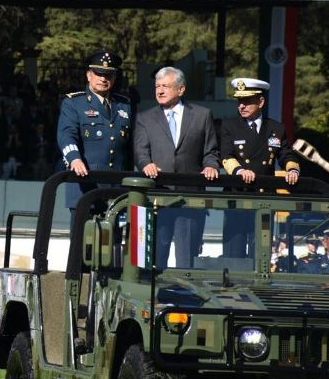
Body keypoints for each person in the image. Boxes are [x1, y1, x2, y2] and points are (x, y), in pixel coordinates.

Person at [134, 66, 219, 268]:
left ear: (181, 89)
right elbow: (140, 151)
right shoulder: (145, 117)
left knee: (187, 257)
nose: (160, 91)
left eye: (165, 86)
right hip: (157, 197)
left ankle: (186, 298)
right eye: (157, 86)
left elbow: (211, 151)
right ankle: (157, 298)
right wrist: (146, 164)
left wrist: (210, 166)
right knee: (155, 256)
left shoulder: (202, 115)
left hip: (190, 198)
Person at [219, 78, 301, 258]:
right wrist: (240, 171)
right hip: (238, 197)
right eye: (240, 101)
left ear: (261, 101)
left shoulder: (276, 128)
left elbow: (286, 154)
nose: (242, 106)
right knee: (234, 255)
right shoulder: (229, 126)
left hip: (264, 199)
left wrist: (292, 170)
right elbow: (225, 156)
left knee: (260, 254)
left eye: (247, 101)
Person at [56, 50, 132, 218]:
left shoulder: (124, 104)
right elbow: (66, 135)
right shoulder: (74, 102)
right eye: (99, 74)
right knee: (81, 241)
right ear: (89, 75)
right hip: (86, 183)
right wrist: (74, 158)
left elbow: (129, 146)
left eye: (109, 75)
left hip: (116, 187)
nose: (104, 79)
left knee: (115, 241)